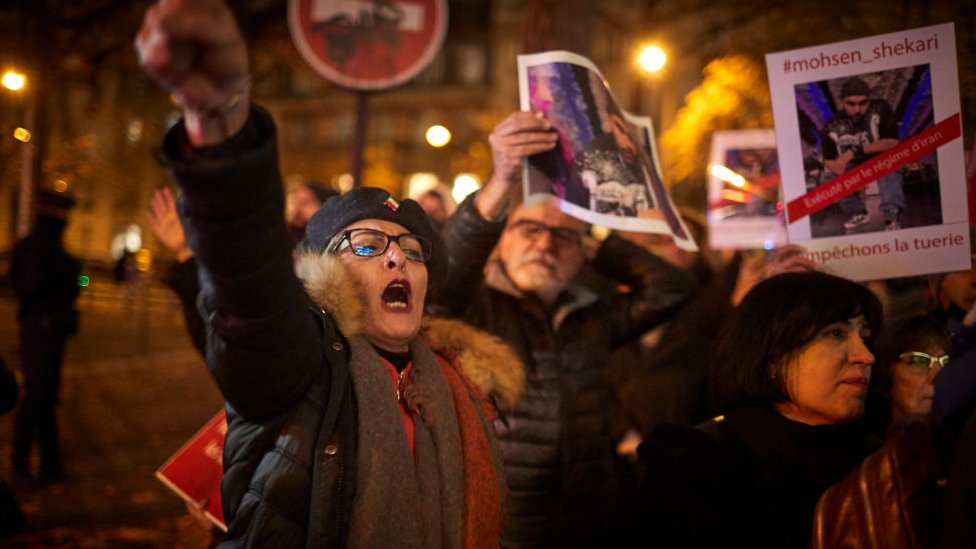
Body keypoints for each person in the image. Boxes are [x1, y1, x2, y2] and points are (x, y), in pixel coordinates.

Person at [135, 1, 521, 546]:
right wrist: (224, 134)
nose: (397, 259)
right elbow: (250, 285)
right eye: (367, 246)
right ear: (324, 275)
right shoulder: (300, 364)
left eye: (412, 250)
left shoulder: (455, 381)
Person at [429, 110, 698, 547]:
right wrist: (500, 184)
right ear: (503, 239)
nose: (545, 243)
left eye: (563, 237)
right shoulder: (472, 306)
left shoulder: (593, 315)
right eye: (529, 228)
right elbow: (447, 272)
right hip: (502, 526)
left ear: (583, 252)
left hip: (588, 523)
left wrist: (598, 235)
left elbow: (672, 287)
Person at [634, 271, 882, 548]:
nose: (865, 356)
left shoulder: (882, 462)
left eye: (865, 336)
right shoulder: (696, 462)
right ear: (771, 355)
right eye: (836, 333)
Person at [9, 189, 82, 489]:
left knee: (47, 397)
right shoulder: (35, 249)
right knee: (37, 396)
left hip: (51, 330)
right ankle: (21, 465)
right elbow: (33, 287)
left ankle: (50, 464)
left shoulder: (46, 248)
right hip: (39, 329)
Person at [821, 76, 906, 232]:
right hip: (855, 163)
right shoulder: (832, 125)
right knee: (834, 182)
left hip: (881, 155)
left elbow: (892, 142)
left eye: (862, 103)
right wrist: (841, 174)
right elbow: (828, 159)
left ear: (869, 100)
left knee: (890, 165)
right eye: (851, 104)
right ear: (841, 102)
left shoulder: (881, 108)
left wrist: (854, 151)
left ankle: (891, 216)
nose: (857, 109)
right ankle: (858, 213)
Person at [865, 314, 948, 436]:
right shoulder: (861, 450)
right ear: (886, 372)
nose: (937, 375)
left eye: (946, 362)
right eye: (918, 361)